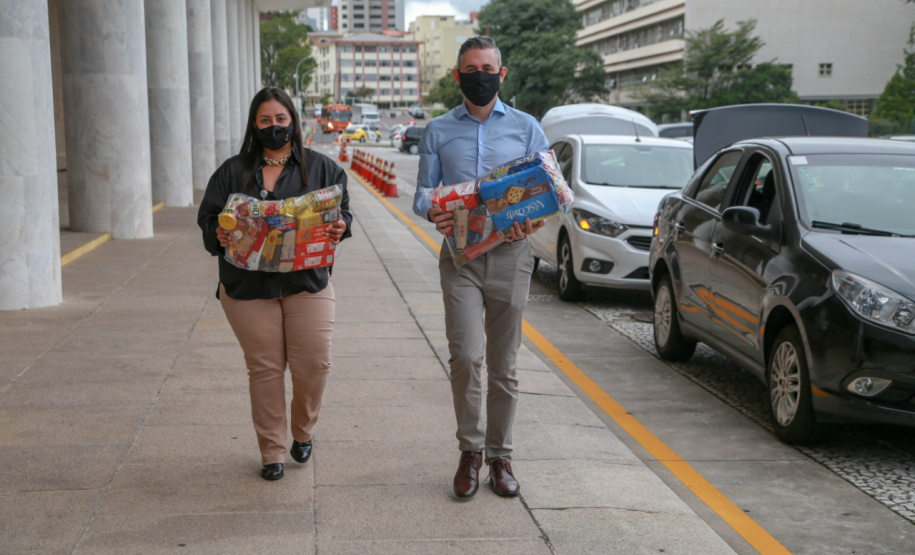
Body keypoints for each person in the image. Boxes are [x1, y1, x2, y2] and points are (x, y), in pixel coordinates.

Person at [412, 36, 549, 499]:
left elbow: (548, 191)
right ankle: (470, 452)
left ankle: (500, 456)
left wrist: (533, 215)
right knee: (467, 357)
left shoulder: (529, 128)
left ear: (502, 73)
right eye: (470, 69)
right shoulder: (437, 130)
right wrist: (436, 211)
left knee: (504, 364)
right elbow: (422, 195)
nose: (479, 75)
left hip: (512, 256)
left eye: (487, 68)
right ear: (457, 76)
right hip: (460, 258)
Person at [198, 87, 352, 481]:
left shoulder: (322, 169)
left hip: (308, 284)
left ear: (293, 122)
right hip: (247, 289)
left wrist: (341, 225)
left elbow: (343, 214)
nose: (273, 127)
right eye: (265, 120)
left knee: (313, 365)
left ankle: (304, 431)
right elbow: (209, 219)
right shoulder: (232, 171)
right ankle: (272, 451)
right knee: (265, 369)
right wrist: (219, 232)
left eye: (280, 120)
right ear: (254, 123)